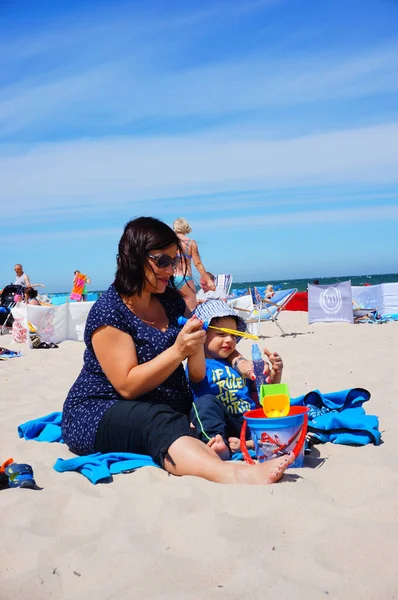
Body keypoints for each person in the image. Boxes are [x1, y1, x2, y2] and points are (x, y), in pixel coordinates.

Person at [62, 217, 293, 485]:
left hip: (167, 406)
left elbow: (197, 370)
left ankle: (219, 444)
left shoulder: (168, 300)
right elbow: (127, 386)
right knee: (159, 421)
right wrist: (177, 350)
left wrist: (235, 361)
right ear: (134, 258)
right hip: (101, 409)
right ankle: (236, 474)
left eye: (174, 261)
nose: (171, 270)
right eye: (162, 261)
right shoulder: (109, 312)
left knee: (219, 405)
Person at [188, 300, 283, 458]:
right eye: (221, 334)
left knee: (278, 416)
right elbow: (196, 376)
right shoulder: (199, 364)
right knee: (205, 404)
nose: (229, 340)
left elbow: (263, 389)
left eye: (233, 335)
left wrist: (275, 373)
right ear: (202, 335)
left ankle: (248, 444)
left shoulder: (238, 365)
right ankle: (217, 443)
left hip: (246, 419)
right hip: (220, 421)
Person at [172, 217, 215, 312]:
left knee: (173, 310)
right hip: (185, 279)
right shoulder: (191, 243)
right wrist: (208, 280)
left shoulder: (170, 242)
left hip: (171, 278)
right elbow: (198, 264)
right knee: (191, 311)